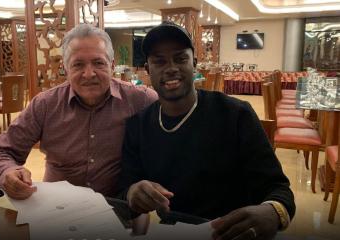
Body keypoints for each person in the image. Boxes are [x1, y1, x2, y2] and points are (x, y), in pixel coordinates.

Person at [118, 21, 295, 240]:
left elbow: (278, 189)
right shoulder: (139, 125)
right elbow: (125, 190)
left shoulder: (235, 115)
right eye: (159, 61)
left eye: (181, 58)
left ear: (195, 63)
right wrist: (134, 193)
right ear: (147, 70)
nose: (171, 67)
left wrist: (272, 212)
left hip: (233, 232)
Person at [0, 24, 157, 200]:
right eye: (78, 65)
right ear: (65, 68)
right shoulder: (45, 104)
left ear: (112, 65)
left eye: (98, 63)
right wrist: (7, 172)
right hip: (58, 208)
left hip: (117, 206)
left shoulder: (141, 100)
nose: (89, 74)